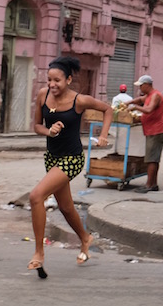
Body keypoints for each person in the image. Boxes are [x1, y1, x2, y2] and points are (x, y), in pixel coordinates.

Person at [29, 56, 112, 278]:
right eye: (49, 80)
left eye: (57, 80)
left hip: (72, 159)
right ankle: (85, 238)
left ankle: (39, 253)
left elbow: (107, 109)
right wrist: (49, 131)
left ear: (68, 80)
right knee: (65, 207)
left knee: (36, 196)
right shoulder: (42, 95)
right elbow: (36, 125)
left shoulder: (79, 100)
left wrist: (103, 135)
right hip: (52, 158)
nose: (52, 84)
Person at [128, 74, 163, 192]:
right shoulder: (149, 95)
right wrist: (128, 102)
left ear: (147, 85)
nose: (139, 88)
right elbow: (140, 100)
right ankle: (153, 184)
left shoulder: (155, 95)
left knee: (151, 159)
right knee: (153, 158)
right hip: (151, 130)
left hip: (156, 130)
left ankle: (149, 185)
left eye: (141, 86)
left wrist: (135, 107)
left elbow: (149, 110)